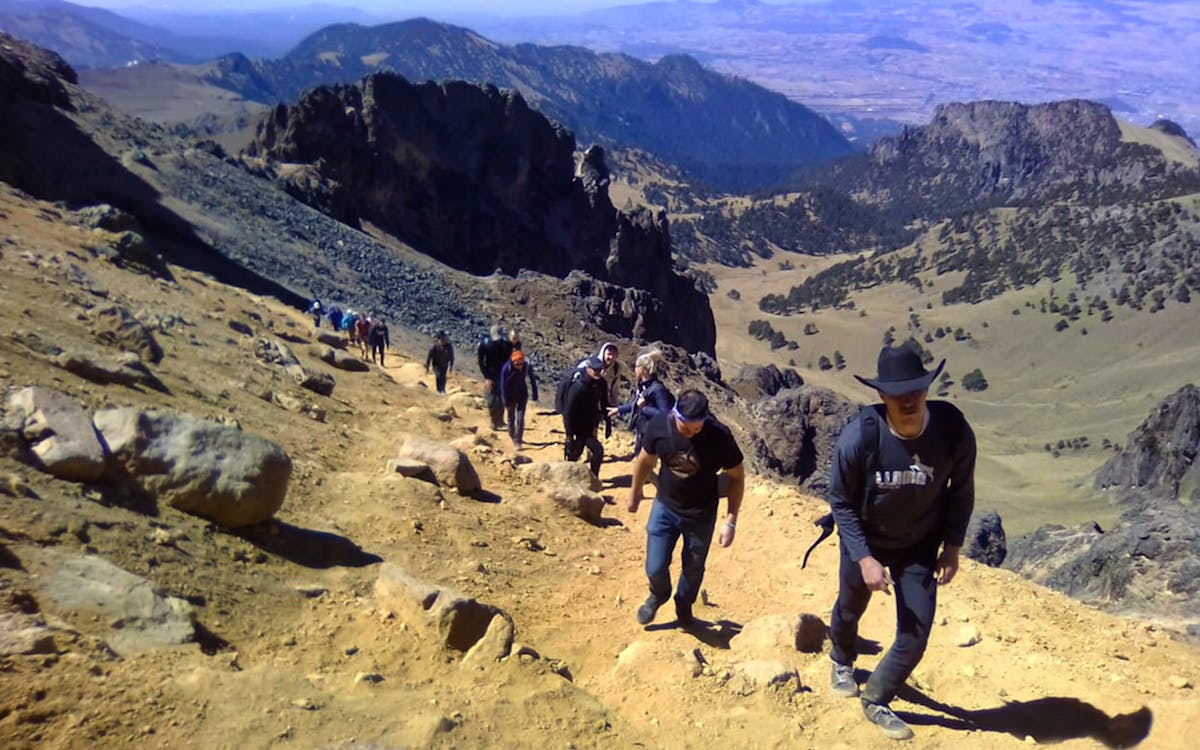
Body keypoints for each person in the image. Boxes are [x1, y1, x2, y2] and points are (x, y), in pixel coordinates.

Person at [826, 343, 976, 741]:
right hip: (868, 542)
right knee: (849, 608)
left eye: (917, 389)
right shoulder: (860, 438)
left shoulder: (953, 432)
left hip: (920, 544)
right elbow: (840, 502)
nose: (908, 399)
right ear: (881, 395)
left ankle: (877, 697)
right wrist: (864, 559)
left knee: (916, 632)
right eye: (898, 393)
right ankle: (841, 658)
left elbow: (961, 492)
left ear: (928, 388)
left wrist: (954, 547)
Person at [626, 389, 744, 627]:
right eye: (685, 427)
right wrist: (635, 492)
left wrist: (731, 520)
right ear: (675, 414)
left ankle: (684, 606)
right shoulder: (659, 425)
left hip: (701, 513)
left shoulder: (719, 436)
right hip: (666, 506)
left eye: (696, 428)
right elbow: (645, 461)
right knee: (655, 566)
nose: (690, 433)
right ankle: (659, 594)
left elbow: (736, 477)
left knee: (693, 569)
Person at [609, 349, 673, 457]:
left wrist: (645, 408)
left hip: (652, 433)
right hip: (643, 430)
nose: (634, 369)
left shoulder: (657, 389)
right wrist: (619, 410)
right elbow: (636, 404)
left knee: (644, 462)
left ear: (643, 370)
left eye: (636, 366)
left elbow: (665, 415)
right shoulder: (644, 386)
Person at [562, 356, 609, 477]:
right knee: (576, 453)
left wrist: (607, 423)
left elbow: (604, 404)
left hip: (589, 425)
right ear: (588, 369)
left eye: (600, 369)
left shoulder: (601, 384)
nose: (598, 372)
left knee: (597, 451)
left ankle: (593, 480)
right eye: (595, 370)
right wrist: (569, 435)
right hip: (576, 425)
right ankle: (566, 477)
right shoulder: (578, 386)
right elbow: (568, 411)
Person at [499, 349, 538, 449]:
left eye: (521, 364)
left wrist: (535, 393)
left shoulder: (526, 366)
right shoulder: (506, 369)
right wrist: (505, 399)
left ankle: (518, 441)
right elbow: (503, 385)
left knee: (520, 418)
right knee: (511, 418)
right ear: (513, 363)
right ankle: (512, 435)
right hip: (510, 395)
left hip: (522, 394)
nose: (519, 366)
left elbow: (532, 379)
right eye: (517, 364)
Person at [477, 325, 513, 430]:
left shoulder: (505, 345)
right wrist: (487, 377)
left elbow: (481, 362)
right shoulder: (487, 344)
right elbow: (481, 361)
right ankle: (494, 421)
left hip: (498, 375)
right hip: (495, 375)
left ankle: (499, 421)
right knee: (493, 398)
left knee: (499, 398)